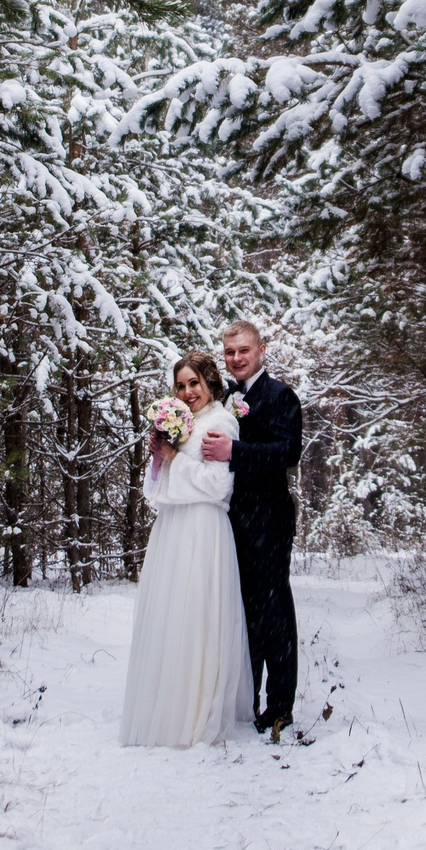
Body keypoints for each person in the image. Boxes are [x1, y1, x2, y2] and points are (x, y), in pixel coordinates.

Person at [119, 352, 254, 748]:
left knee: (196, 616)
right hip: (173, 528)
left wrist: (175, 459)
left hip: (203, 528)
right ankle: (169, 705)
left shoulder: (219, 423)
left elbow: (218, 487)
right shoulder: (182, 423)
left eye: (194, 383)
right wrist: (160, 460)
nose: (187, 392)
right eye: (180, 385)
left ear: (210, 382)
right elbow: (157, 491)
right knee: (170, 615)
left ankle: (196, 712)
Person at [197, 321, 303, 739]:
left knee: (273, 613)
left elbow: (287, 452)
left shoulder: (280, 396)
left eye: (243, 350)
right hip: (228, 518)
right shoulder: (221, 398)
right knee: (241, 613)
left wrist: (235, 452)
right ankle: (247, 701)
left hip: (270, 518)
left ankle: (280, 707)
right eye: (229, 353)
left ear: (261, 350)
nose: (236, 358)